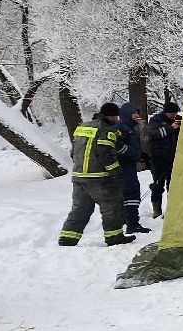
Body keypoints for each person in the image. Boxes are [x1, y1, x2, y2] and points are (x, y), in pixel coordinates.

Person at [58, 103, 135, 247]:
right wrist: (117, 173)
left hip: (79, 177)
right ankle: (115, 237)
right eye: (115, 116)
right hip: (100, 178)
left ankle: (67, 238)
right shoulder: (106, 131)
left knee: (80, 208)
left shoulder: (83, 127)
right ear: (110, 116)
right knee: (112, 206)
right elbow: (106, 155)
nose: (117, 119)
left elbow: (73, 152)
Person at [116, 101, 150, 235]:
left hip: (129, 166)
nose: (137, 115)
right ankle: (132, 224)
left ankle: (128, 220)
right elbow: (118, 146)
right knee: (132, 194)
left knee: (130, 194)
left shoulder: (129, 127)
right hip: (124, 168)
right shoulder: (120, 127)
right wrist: (134, 154)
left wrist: (140, 155)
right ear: (127, 114)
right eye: (135, 113)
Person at [145, 100, 181, 218]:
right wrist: (171, 128)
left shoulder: (179, 119)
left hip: (175, 158)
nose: (174, 116)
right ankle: (157, 210)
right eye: (171, 114)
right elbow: (154, 134)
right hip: (158, 158)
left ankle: (172, 210)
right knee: (158, 184)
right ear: (165, 112)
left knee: (173, 185)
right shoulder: (156, 120)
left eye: (175, 113)